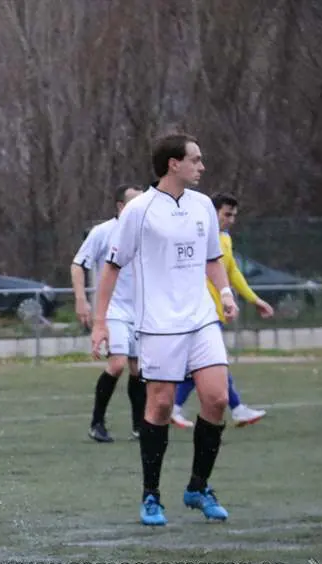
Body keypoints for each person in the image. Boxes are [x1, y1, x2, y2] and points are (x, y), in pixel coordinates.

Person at [92, 132, 238, 527]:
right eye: (195, 159)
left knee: (217, 398)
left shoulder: (203, 205)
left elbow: (212, 258)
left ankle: (198, 487)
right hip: (158, 325)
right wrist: (100, 322)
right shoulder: (138, 211)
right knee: (158, 406)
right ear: (174, 164)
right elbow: (112, 267)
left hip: (201, 318)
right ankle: (151, 495)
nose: (201, 166)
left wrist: (225, 293)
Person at [171, 193, 274, 428]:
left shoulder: (225, 238)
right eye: (227, 214)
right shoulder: (195, 236)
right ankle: (236, 409)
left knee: (202, 365)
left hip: (215, 312)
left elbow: (232, 271)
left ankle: (175, 408)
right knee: (212, 362)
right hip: (198, 312)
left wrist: (254, 299)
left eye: (234, 215)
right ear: (212, 212)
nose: (231, 220)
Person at [71, 183, 146, 443]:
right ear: (121, 206)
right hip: (112, 309)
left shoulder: (147, 232)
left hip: (141, 311)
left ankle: (139, 426)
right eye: (134, 202)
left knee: (138, 369)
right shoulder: (103, 232)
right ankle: (97, 423)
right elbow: (78, 265)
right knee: (117, 363)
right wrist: (81, 299)